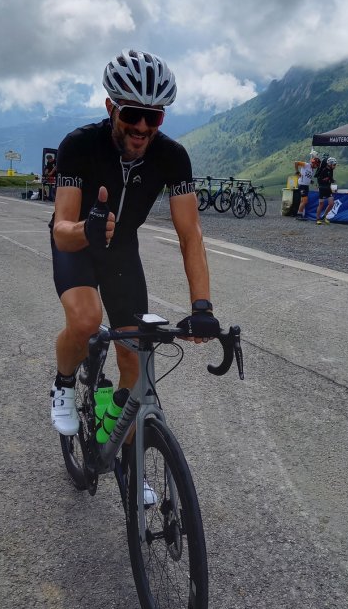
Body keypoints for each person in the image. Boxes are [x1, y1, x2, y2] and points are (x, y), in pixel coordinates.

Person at [49, 49, 220, 440]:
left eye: (154, 117)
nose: (142, 126)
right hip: (78, 241)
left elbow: (190, 233)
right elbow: (61, 229)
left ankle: (116, 445)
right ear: (111, 108)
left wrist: (202, 306)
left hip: (121, 249)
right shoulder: (79, 145)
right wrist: (87, 229)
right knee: (86, 320)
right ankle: (63, 383)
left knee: (135, 357)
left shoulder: (172, 156)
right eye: (132, 114)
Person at [293, 151, 321, 220]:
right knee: (305, 201)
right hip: (302, 185)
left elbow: (306, 176)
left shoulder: (311, 169)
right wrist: (297, 171)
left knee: (303, 201)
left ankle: (299, 214)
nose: (316, 167)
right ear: (314, 163)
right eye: (316, 165)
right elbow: (296, 162)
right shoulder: (306, 165)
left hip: (306, 186)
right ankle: (299, 215)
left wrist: (310, 181)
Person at [315, 156, 337, 224]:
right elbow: (319, 179)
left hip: (328, 188)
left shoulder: (331, 170)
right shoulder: (323, 169)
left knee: (331, 204)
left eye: (335, 165)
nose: (335, 166)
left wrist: (332, 180)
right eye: (334, 165)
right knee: (321, 204)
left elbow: (330, 178)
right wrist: (325, 180)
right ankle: (317, 219)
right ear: (330, 164)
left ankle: (324, 216)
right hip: (322, 188)